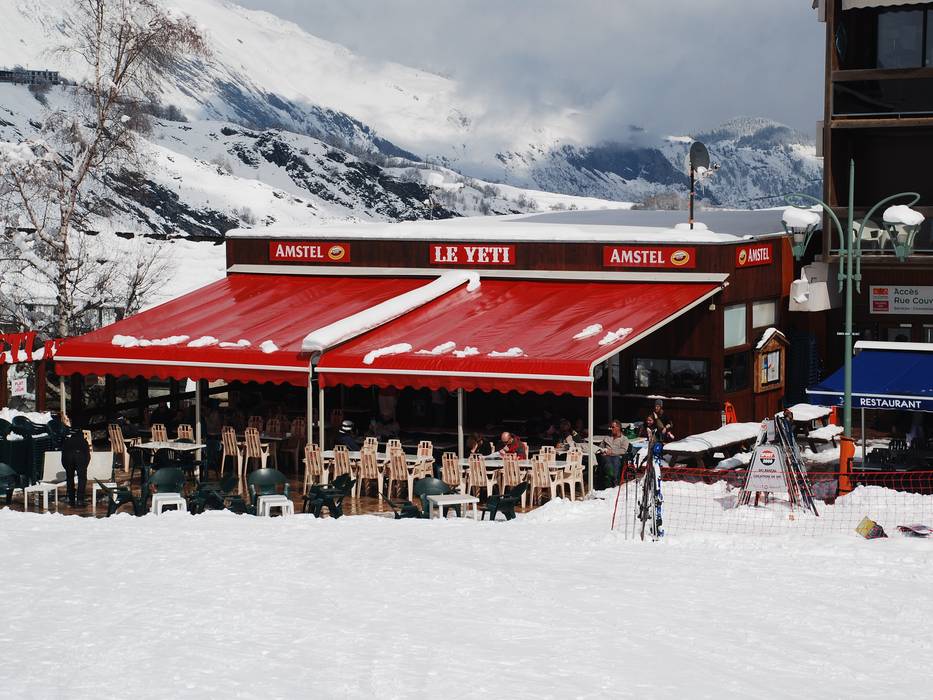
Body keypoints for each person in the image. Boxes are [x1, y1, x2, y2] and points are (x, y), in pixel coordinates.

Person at [61, 428, 91, 507]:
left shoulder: (67, 441)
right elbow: (87, 456)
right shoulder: (84, 442)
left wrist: (66, 467)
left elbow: (63, 455)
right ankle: (80, 500)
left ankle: (71, 498)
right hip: (81, 458)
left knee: (70, 478)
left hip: (68, 459)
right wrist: (85, 466)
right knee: (82, 479)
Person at [598, 419, 630, 487]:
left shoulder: (624, 439)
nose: (610, 429)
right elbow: (600, 446)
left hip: (617, 456)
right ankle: (611, 481)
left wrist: (611, 452)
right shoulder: (607, 437)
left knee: (615, 460)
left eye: (612, 427)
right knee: (607, 461)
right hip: (606, 456)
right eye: (610, 427)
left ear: (618, 428)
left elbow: (623, 450)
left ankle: (613, 480)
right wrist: (602, 451)